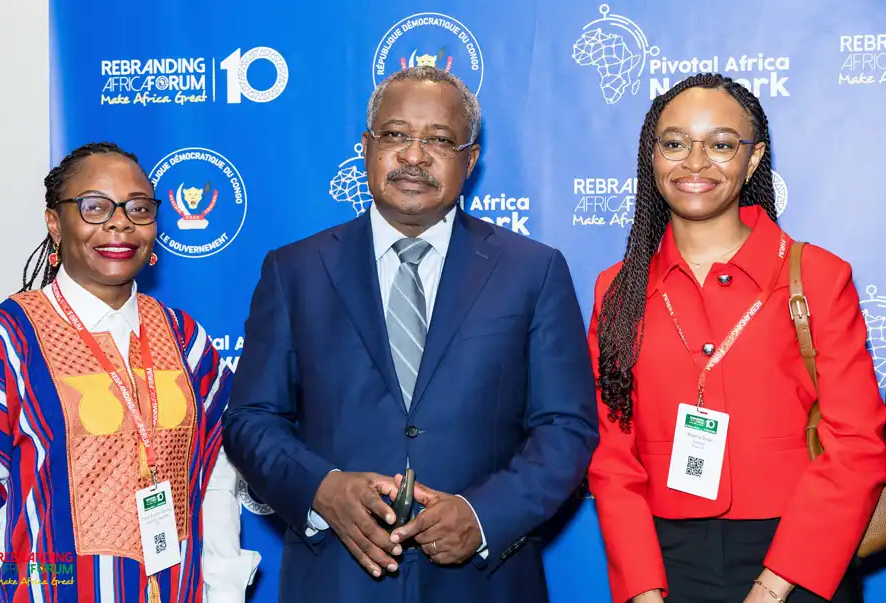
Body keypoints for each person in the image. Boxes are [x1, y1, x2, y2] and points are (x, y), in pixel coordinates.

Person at [222, 66, 599, 603]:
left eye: (439, 140)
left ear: (470, 159)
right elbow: (251, 418)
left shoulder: (532, 271)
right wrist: (321, 489)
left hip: (485, 585)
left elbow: (566, 427)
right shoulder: (295, 270)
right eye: (395, 135)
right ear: (367, 147)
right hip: (336, 579)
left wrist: (482, 516)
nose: (414, 156)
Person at [587, 73, 886, 603]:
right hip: (663, 564)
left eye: (721, 144)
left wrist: (773, 589)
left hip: (800, 560)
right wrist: (642, 589)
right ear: (652, 155)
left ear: (753, 159)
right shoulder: (618, 290)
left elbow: (857, 442)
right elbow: (613, 458)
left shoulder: (817, 276)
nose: (695, 163)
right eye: (675, 143)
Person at [0, 142, 260, 602]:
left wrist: (223, 591)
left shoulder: (185, 339)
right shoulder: (4, 340)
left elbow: (216, 480)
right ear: (55, 223)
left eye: (139, 208)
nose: (120, 222)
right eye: (94, 207)